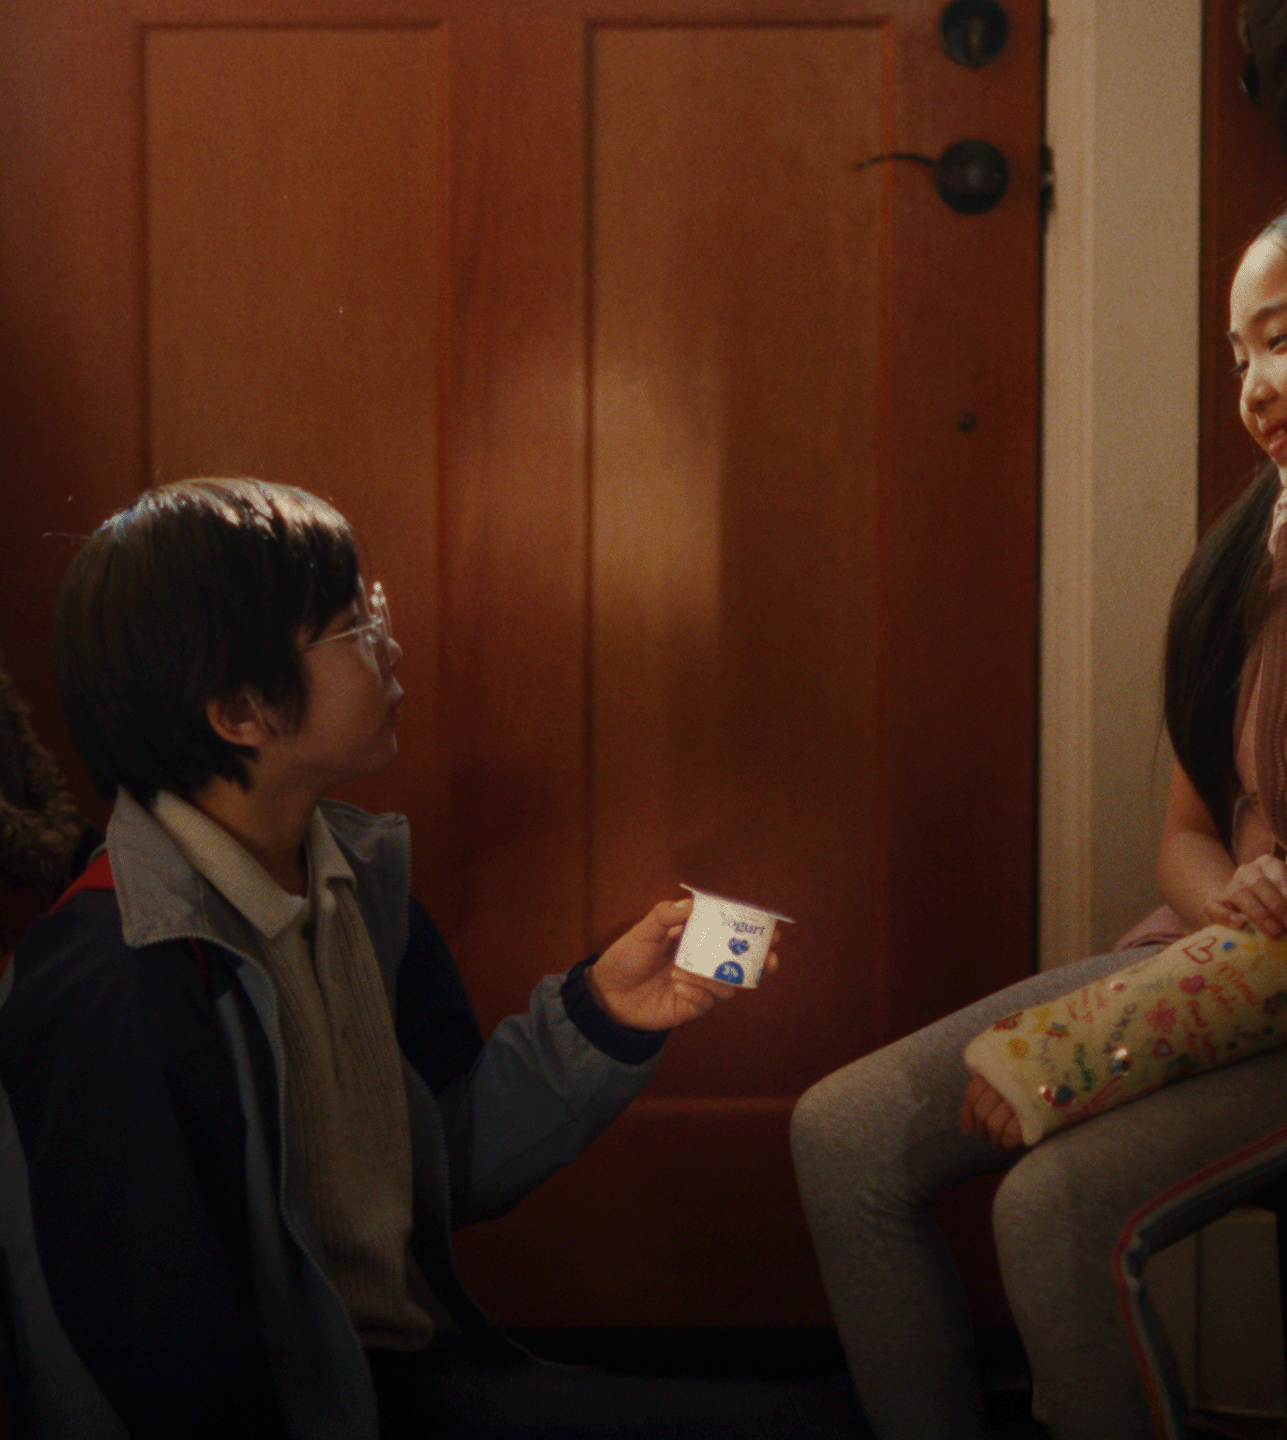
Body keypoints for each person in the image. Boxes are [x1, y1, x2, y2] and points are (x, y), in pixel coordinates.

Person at [0, 478, 859, 1440]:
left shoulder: (353, 882)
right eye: (351, 623)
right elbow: (159, 1355)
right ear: (241, 713)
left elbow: (433, 1168)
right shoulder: (121, 973)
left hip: (402, 1381)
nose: (388, 642)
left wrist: (602, 1021)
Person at [790, 172, 1287, 1440]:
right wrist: (1234, 899)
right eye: (1237, 350)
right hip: (1233, 968)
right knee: (844, 1137)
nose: (1250, 382)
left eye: (1284, 336)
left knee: (1053, 1210)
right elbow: (1187, 843)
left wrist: (1088, 1054)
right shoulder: (1256, 563)